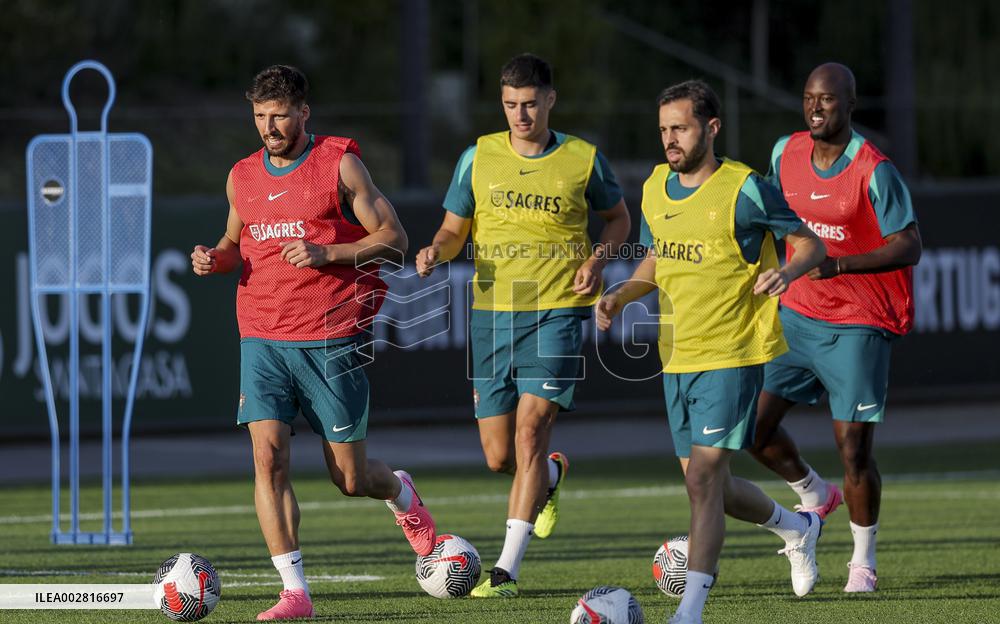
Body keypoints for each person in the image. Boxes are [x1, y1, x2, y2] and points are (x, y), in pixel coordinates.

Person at [190, 65, 436, 621]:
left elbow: (394, 239)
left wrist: (332, 254)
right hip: (261, 334)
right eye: (259, 116)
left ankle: (399, 493)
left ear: (304, 112)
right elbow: (235, 243)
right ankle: (295, 592)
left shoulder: (339, 163)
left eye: (278, 115)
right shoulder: (242, 176)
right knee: (268, 457)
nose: (268, 127)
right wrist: (214, 259)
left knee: (350, 479)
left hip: (329, 336)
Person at [596, 80, 827, 624]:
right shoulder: (655, 186)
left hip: (734, 353)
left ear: (712, 127)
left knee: (701, 481)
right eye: (663, 130)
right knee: (712, 487)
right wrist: (620, 295)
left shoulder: (745, 188)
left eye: (680, 128)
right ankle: (797, 526)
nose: (670, 140)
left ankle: (690, 612)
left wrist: (787, 271)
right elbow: (654, 260)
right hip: (676, 355)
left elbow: (811, 244)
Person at [415, 53, 631, 598]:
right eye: (511, 104)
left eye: (530, 103)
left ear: (550, 100)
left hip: (557, 311)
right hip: (492, 317)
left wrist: (598, 260)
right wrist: (435, 252)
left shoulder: (583, 158)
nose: (520, 114)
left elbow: (620, 218)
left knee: (531, 431)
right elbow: (452, 229)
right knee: (500, 457)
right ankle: (552, 478)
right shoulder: (479, 156)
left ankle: (505, 573)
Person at [749, 62, 922, 593]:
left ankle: (862, 562)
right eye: (808, 98)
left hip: (859, 322)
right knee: (752, 431)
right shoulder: (785, 152)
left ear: (849, 105)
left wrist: (841, 265)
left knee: (854, 450)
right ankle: (814, 492)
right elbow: (770, 217)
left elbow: (910, 244)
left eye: (827, 100)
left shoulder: (874, 168)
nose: (816, 108)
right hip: (797, 312)